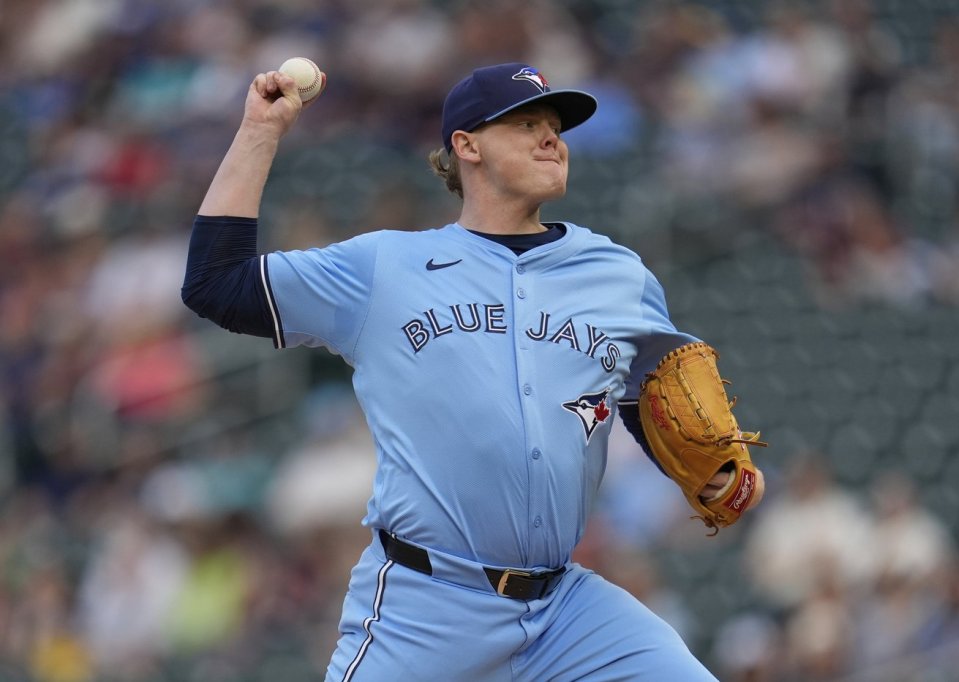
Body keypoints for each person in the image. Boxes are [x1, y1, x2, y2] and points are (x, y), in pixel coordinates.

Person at [183, 61, 750, 681]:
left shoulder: (619, 275)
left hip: (566, 614)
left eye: (555, 127)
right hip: (426, 610)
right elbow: (216, 283)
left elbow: (651, 400)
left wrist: (713, 474)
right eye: (527, 124)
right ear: (467, 145)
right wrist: (260, 131)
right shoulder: (385, 267)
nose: (551, 138)